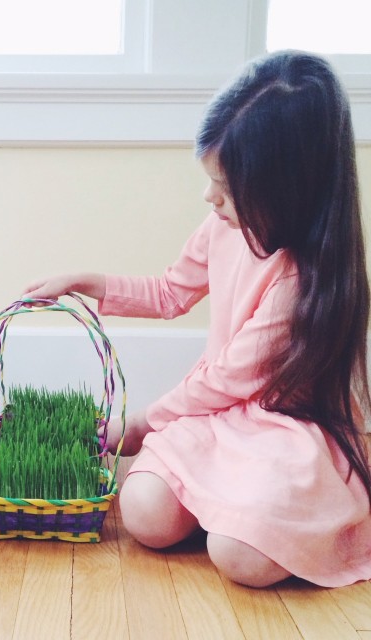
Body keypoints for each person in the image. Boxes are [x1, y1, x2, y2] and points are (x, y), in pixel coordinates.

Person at [22, 50, 371, 588]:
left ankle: (252, 519)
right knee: (144, 513)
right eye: (212, 179)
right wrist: (84, 281)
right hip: (221, 415)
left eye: (227, 188)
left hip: (286, 427)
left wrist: (140, 423)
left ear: (288, 190)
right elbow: (168, 292)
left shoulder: (300, 281)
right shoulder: (226, 224)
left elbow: (228, 377)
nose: (210, 197)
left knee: (240, 558)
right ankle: (228, 506)